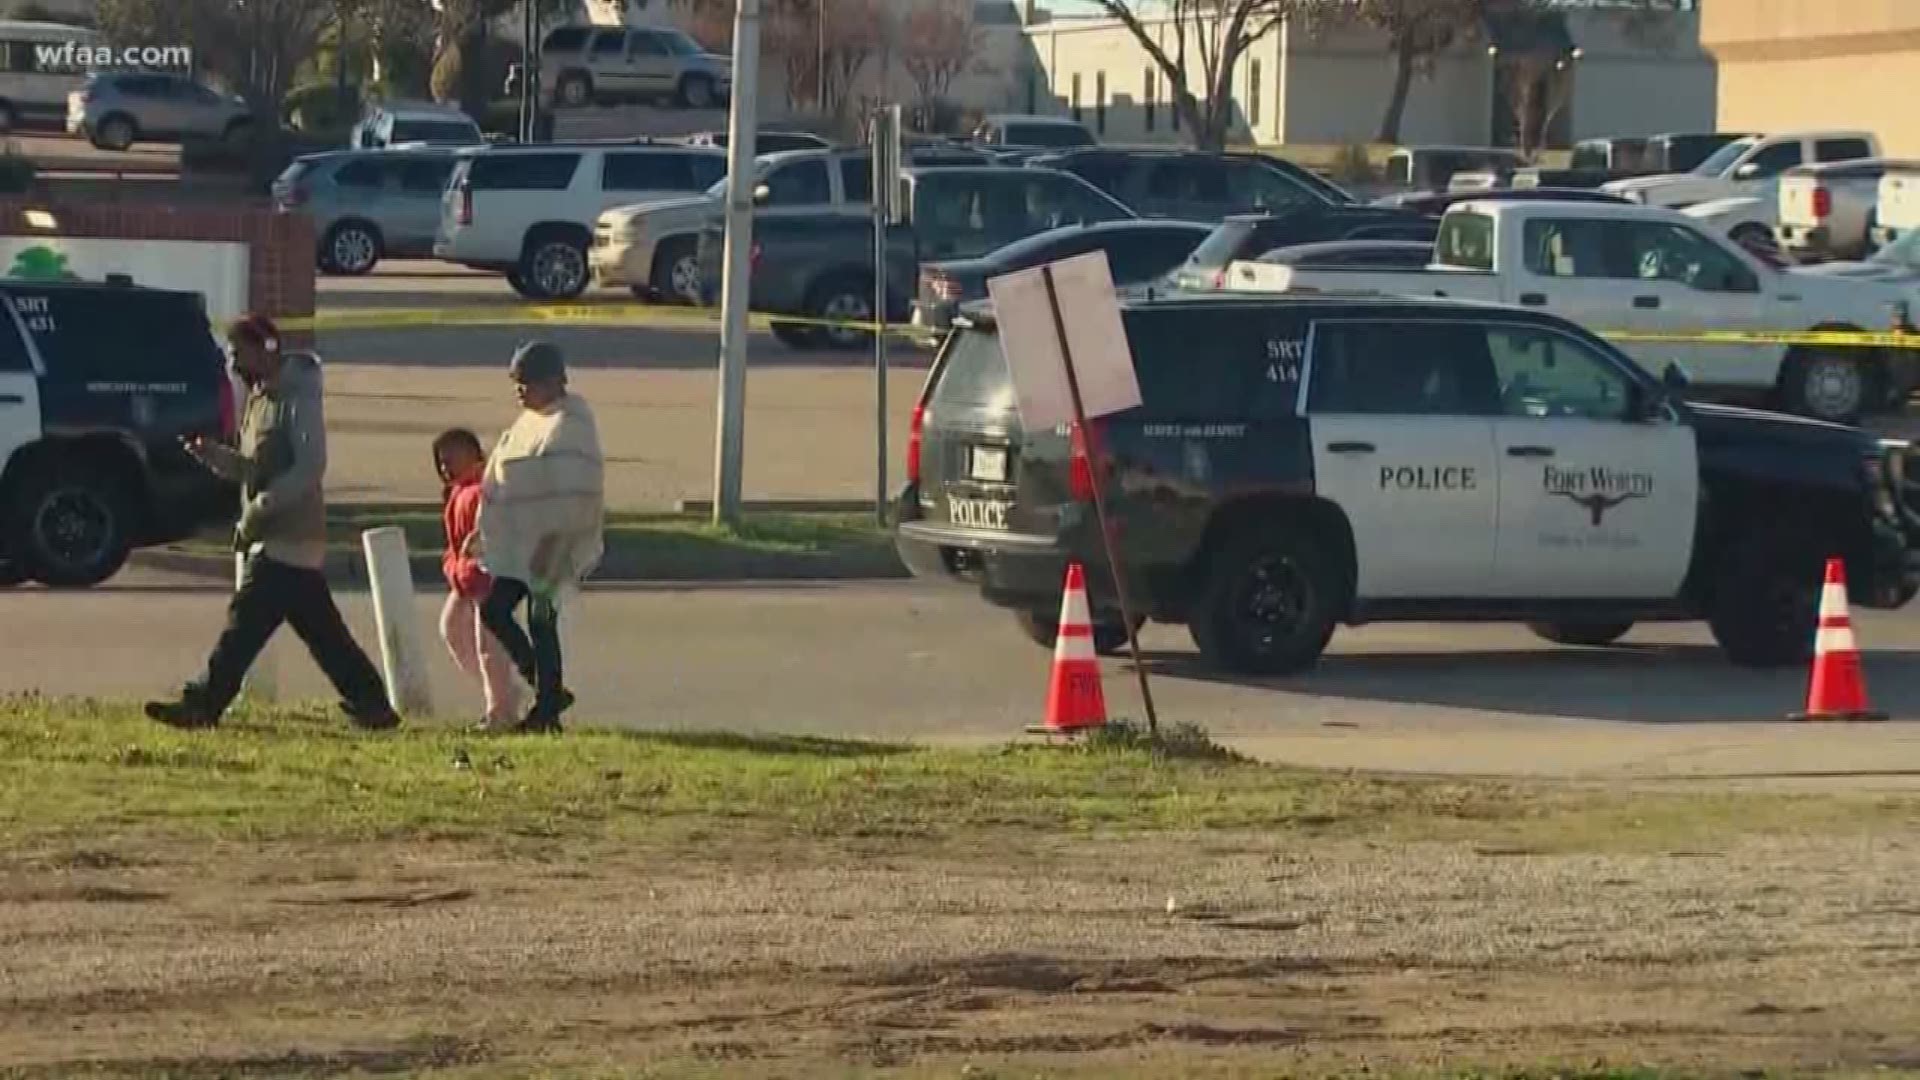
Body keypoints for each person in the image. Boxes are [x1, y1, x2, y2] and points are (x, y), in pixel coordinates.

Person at [146, 315, 399, 731]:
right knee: (324, 635)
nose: (233, 364)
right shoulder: (260, 399)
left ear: (266, 348)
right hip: (272, 535)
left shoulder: (299, 393)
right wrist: (211, 455)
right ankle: (372, 704)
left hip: (290, 534)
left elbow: (310, 465)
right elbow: (253, 468)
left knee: (243, 626)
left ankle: (203, 704)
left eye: (238, 352)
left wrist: (263, 507)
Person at [475, 340, 604, 733]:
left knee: (541, 621)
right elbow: (503, 476)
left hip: (551, 547)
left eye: (526, 383)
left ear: (552, 382)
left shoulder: (571, 424)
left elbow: (575, 489)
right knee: (493, 610)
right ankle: (546, 687)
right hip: (519, 547)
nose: (519, 390)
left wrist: (556, 537)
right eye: (516, 382)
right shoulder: (529, 421)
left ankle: (547, 712)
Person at [433, 427, 520, 730]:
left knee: (488, 648)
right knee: (452, 629)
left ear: (475, 456)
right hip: (466, 579)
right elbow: (456, 544)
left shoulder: (482, 492)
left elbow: (488, 536)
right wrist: (453, 567)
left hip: (485, 578)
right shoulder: (458, 492)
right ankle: (502, 696)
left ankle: (500, 711)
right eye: (441, 463)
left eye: (451, 459)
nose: (445, 468)